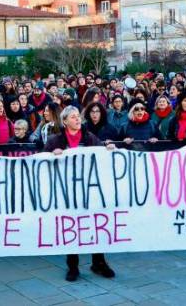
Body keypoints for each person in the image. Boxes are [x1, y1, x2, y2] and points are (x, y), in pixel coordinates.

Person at [46, 106, 116, 282]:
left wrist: (108, 148)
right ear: (65, 121)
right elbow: (41, 161)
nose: (78, 119)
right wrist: (50, 155)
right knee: (71, 226)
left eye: (79, 116)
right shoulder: (55, 140)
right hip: (67, 192)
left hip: (89, 190)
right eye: (73, 117)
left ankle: (99, 262)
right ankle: (73, 266)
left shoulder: (89, 137)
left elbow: (102, 153)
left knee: (94, 224)